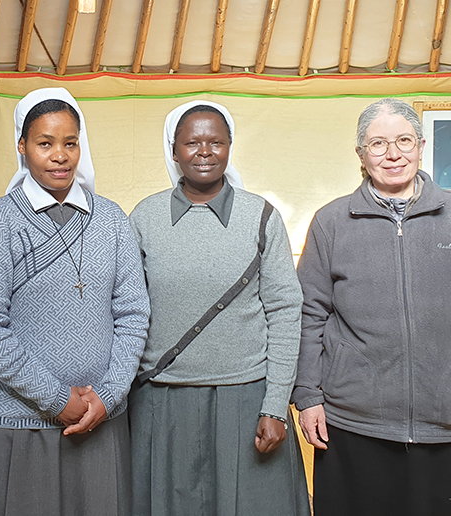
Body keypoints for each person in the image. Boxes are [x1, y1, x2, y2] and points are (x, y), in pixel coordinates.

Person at [293, 98, 451, 516]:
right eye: (378, 144)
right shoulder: (331, 222)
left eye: (403, 140)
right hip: (356, 423)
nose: (393, 154)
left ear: (420, 146)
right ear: (361, 156)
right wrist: (308, 395)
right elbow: (309, 314)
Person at [0, 87, 150, 516]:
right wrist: (56, 399)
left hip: (100, 423)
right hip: (18, 426)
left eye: (70, 143)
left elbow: (134, 315)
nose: (59, 155)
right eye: (45, 144)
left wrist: (108, 394)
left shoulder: (112, 220)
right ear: (22, 147)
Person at [128, 100, 309, 516]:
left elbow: (285, 311)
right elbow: (128, 311)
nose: (204, 151)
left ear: (230, 148)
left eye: (216, 142)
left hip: (245, 399)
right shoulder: (145, 216)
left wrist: (275, 405)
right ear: (174, 152)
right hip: (162, 400)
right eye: (192, 142)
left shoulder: (261, 216)